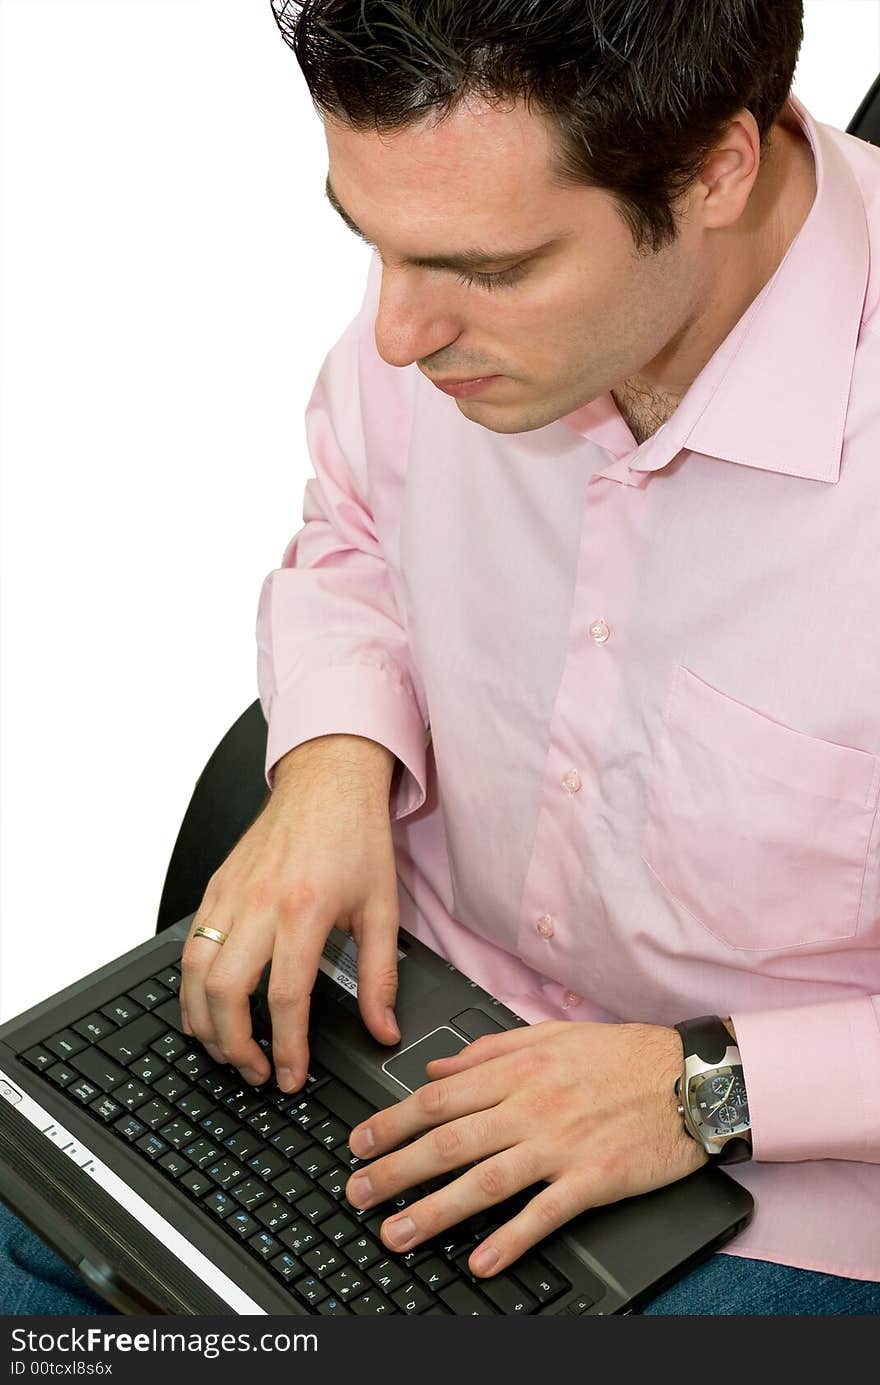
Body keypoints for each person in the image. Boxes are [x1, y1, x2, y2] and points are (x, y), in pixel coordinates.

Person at [6, 0, 879, 1316]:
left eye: (490, 269)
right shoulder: (462, 256)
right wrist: (332, 759)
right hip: (406, 1004)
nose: (399, 335)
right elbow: (353, 518)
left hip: (779, 1175)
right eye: (372, 244)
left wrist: (710, 1087)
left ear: (715, 172)